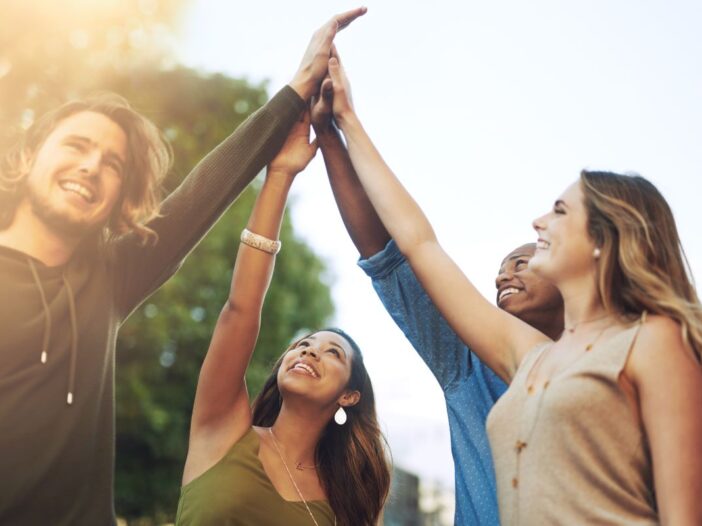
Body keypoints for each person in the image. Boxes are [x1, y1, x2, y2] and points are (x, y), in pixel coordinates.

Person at [0, 9, 366, 525]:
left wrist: (298, 87)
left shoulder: (106, 279)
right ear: (29, 155)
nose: (91, 167)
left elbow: (202, 195)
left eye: (113, 164)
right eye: (77, 146)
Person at [323, 50, 702, 525]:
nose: (539, 221)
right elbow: (419, 244)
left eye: (560, 212)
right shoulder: (531, 357)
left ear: (606, 238)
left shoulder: (654, 342)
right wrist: (345, 121)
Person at [311, 78, 563, 526]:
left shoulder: (613, 360)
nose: (505, 272)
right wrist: (330, 137)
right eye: (502, 266)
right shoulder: (466, 364)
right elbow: (387, 253)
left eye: (524, 260)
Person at [175, 111, 390, 526]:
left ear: (349, 396)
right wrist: (281, 174)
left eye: (333, 354)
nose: (310, 349)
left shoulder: (348, 503)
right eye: (304, 343)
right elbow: (241, 309)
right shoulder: (224, 430)